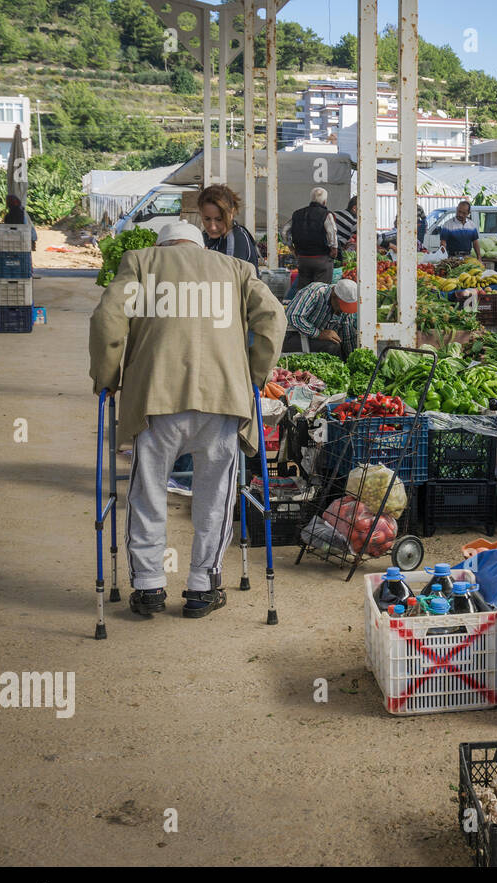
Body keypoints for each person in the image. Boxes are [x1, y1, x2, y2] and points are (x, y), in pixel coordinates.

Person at [88, 221, 284, 619]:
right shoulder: (236, 269)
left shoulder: (141, 262)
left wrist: (107, 378)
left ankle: (147, 586)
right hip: (223, 398)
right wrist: (254, 376)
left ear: (163, 244)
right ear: (198, 245)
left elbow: (108, 319)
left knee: (148, 492)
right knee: (214, 497)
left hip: (156, 399)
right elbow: (273, 319)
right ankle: (201, 586)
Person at [282, 277, 359, 358]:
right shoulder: (315, 291)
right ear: (334, 296)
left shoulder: (344, 310)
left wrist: (351, 358)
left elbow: (348, 337)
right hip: (293, 335)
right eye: (341, 307)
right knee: (332, 347)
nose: (343, 311)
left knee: (340, 348)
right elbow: (293, 316)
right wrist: (319, 334)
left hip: (315, 340)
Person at [198, 184, 259, 274]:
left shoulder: (236, 239)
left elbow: (227, 279)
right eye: (207, 219)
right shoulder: (205, 236)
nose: (212, 227)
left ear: (231, 213)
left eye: (219, 219)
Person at [286, 187, 338, 292]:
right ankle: (318, 308)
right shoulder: (326, 215)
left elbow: (284, 231)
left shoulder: (297, 214)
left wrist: (291, 247)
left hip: (303, 259)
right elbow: (331, 231)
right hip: (322, 259)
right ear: (324, 201)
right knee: (321, 291)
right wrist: (334, 248)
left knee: (303, 292)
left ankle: (304, 308)